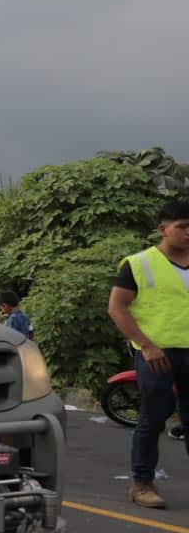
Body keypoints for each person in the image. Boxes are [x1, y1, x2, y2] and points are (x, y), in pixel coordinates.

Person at [107, 198, 189, 511]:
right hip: (157, 354)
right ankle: (142, 484)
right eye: (182, 227)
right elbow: (117, 307)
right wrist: (147, 345)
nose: (188, 233)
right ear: (163, 228)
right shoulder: (139, 264)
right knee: (152, 420)